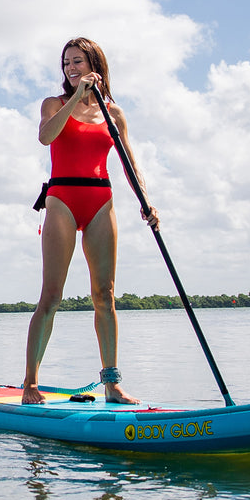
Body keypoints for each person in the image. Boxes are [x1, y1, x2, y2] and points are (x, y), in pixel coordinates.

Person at [22, 37, 158, 406]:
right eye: (66, 63)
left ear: (94, 63)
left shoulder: (114, 114)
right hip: (62, 198)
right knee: (51, 295)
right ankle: (31, 383)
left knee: (105, 295)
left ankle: (112, 383)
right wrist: (74, 98)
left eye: (78, 61)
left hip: (101, 199)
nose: (70, 68)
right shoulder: (53, 104)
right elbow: (45, 136)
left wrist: (146, 201)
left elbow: (129, 163)